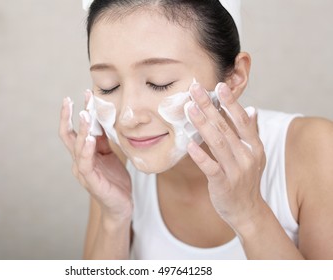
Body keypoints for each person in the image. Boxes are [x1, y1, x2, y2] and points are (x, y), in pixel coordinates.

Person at [59, 0, 333, 259]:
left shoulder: (315, 150)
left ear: (235, 77)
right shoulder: (116, 161)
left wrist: (249, 214)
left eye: (160, 82)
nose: (128, 116)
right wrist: (114, 216)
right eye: (108, 85)